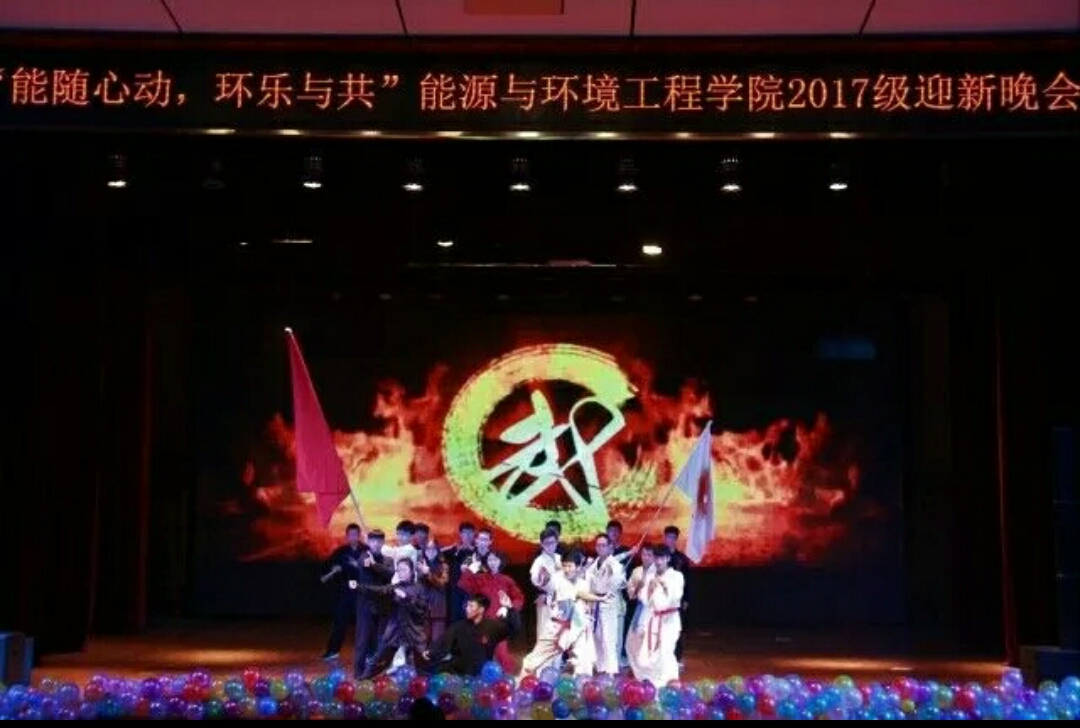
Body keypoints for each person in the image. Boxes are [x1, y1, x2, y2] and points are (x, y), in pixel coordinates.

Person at [519, 549, 609, 678]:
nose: (567, 569)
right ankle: (521, 681)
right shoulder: (557, 578)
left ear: (578, 567)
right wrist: (544, 578)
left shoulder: (583, 583)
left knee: (583, 662)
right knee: (532, 661)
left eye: (570, 566)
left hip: (577, 626)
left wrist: (595, 604)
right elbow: (570, 591)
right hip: (557, 627)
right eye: (564, 565)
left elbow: (582, 597)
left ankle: (579, 685)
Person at [355, 558, 429, 678]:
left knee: (422, 660)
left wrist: (406, 598)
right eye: (399, 570)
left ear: (411, 571)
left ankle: (424, 683)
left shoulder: (418, 588)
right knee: (381, 656)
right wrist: (358, 586)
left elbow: (422, 608)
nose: (401, 573)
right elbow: (378, 590)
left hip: (413, 629)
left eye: (404, 570)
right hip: (396, 628)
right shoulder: (395, 587)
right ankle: (365, 678)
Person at [421, 593, 521, 677]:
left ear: (481, 609)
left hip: (481, 676)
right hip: (459, 673)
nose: (467, 609)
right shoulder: (459, 626)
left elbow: (514, 628)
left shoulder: (492, 626)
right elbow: (443, 641)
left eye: (471, 606)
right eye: (467, 606)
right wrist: (431, 651)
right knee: (435, 671)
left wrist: (510, 608)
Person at [458, 551, 525, 673]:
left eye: (495, 559)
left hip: (499, 622)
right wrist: (468, 570)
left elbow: (519, 598)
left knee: (501, 651)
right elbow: (463, 584)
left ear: (500, 561)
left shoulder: (506, 580)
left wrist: (508, 608)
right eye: (489, 560)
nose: (492, 562)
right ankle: (479, 677)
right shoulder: (481, 578)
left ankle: (508, 677)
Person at [626, 544, 684, 686]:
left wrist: (663, 584)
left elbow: (675, 596)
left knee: (665, 651)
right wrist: (650, 589)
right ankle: (652, 682)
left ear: (668, 559)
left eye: (662, 558)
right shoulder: (650, 576)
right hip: (652, 618)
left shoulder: (676, 576)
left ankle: (670, 681)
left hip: (669, 619)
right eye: (656, 558)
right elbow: (644, 599)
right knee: (649, 654)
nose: (658, 561)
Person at [319, 523, 364, 660]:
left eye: (355, 534)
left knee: (365, 624)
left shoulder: (366, 551)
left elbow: (373, 569)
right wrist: (334, 570)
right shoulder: (340, 552)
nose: (353, 537)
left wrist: (359, 566)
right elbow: (329, 567)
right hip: (345, 592)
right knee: (339, 622)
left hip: (362, 591)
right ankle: (333, 651)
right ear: (347, 536)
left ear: (359, 535)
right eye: (350, 535)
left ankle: (369, 652)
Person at [354, 529, 393, 678]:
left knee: (381, 641)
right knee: (363, 640)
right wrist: (370, 563)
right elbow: (364, 564)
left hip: (383, 606)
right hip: (366, 605)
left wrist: (374, 564)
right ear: (368, 542)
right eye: (373, 541)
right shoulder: (364, 556)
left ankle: (376, 672)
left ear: (383, 542)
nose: (376, 543)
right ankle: (358, 674)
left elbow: (391, 574)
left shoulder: (387, 560)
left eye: (379, 541)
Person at [586, 533, 627, 676]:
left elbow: (618, 583)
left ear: (610, 547)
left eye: (603, 545)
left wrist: (613, 576)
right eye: (598, 545)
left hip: (608, 602)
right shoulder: (593, 564)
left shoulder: (615, 565)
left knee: (609, 637)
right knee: (597, 637)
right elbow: (588, 583)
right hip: (594, 602)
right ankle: (600, 667)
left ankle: (611, 671)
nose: (600, 548)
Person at [662, 525, 691, 664]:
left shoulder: (682, 559)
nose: (671, 540)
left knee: (676, 629)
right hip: (661, 599)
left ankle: (677, 658)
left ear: (676, 539)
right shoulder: (659, 556)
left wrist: (686, 599)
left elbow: (688, 581)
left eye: (673, 538)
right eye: (668, 537)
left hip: (677, 600)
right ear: (664, 538)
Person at [442, 522, 477, 622]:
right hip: (454, 590)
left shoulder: (477, 551)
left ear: (474, 534)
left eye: (470, 532)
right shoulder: (453, 550)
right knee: (454, 617)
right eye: (465, 532)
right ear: (460, 534)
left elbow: (479, 570)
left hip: (470, 591)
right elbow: (438, 552)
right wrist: (454, 548)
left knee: (469, 617)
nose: (467, 535)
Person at [418, 540, 450, 644]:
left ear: (437, 551)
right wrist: (422, 572)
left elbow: (442, 583)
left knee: (437, 640)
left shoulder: (444, 565)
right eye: (428, 549)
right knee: (422, 640)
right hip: (422, 606)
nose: (430, 551)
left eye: (433, 549)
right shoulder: (419, 564)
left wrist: (428, 573)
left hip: (438, 607)